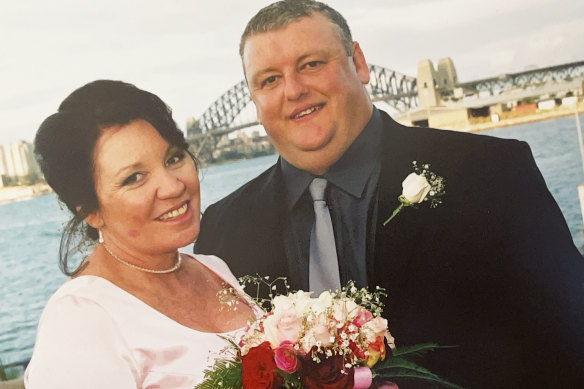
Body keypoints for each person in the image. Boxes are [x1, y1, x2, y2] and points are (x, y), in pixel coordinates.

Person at [194, 1, 584, 387]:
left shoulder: (490, 172)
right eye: (269, 80)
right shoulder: (223, 230)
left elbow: (569, 340)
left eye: (311, 64)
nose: (293, 90)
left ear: (359, 63)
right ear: (255, 101)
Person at [24, 80, 257, 388]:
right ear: (89, 211)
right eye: (134, 178)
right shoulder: (81, 321)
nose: (174, 186)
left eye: (173, 157)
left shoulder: (214, 268)